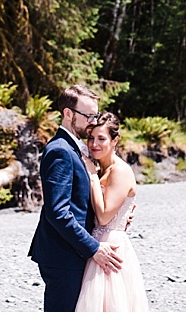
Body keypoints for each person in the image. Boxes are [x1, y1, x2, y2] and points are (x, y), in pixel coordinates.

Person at [29, 84, 123, 312]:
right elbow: (58, 212)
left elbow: (82, 199)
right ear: (68, 113)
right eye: (88, 115)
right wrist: (94, 248)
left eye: (96, 115)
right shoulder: (60, 151)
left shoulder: (78, 148)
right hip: (63, 256)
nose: (93, 121)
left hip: (72, 252)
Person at [75, 112, 150, 311]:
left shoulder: (120, 171)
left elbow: (104, 216)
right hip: (97, 244)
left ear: (115, 140)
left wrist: (91, 177)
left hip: (111, 247)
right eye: (91, 138)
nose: (94, 144)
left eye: (101, 138)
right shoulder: (100, 168)